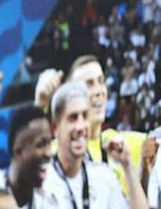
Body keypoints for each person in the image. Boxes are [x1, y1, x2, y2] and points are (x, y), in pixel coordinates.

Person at [35, 54, 153, 195]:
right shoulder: (60, 151)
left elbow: (155, 139)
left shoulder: (119, 143)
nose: (99, 91)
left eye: (101, 81)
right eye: (88, 84)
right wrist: (39, 105)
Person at [42, 82, 148, 208]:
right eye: (73, 118)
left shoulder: (103, 178)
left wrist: (127, 165)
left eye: (85, 116)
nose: (80, 126)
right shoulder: (42, 185)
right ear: (55, 127)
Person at [0, 105, 52, 208]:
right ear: (19, 152)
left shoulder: (50, 201)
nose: (49, 153)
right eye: (40, 145)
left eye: (49, 143)